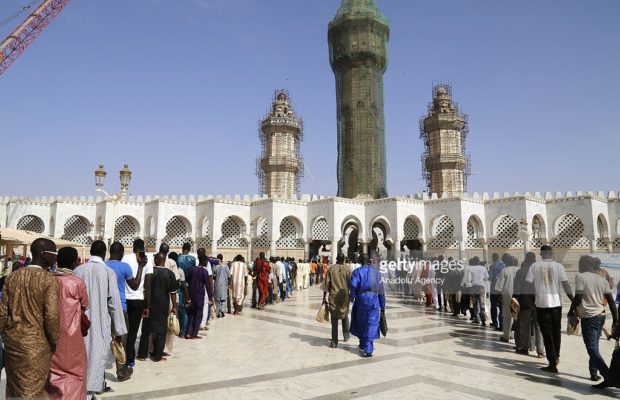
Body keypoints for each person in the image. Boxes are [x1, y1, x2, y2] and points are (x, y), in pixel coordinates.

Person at [0, 238, 60, 399]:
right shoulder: (49, 280)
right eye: (54, 253)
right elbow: (52, 316)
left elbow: (3, 314)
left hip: (12, 344)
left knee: (14, 390)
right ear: (44, 254)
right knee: (33, 392)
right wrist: (54, 340)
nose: (56, 257)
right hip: (36, 347)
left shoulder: (12, 278)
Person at [75, 240, 127, 398]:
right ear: (105, 253)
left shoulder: (78, 270)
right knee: (96, 361)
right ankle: (88, 394)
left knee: (82, 359)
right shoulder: (108, 272)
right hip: (99, 323)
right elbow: (114, 303)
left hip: (79, 323)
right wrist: (118, 329)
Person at [568, 255, 619, 388]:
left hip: (589, 318)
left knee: (591, 349)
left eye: (580, 264)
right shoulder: (601, 280)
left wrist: (570, 310)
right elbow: (611, 301)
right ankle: (594, 373)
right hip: (601, 316)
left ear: (584, 265)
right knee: (594, 346)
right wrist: (615, 320)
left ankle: (609, 377)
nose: (578, 267)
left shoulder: (580, 277)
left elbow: (578, 297)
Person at [48, 247, 89, 400]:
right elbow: (84, 305)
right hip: (72, 336)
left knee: (54, 372)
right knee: (76, 372)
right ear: (74, 263)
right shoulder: (77, 283)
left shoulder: (48, 279)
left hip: (51, 334)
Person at [526, 245, 574, 373]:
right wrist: (573, 301)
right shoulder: (558, 266)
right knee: (556, 332)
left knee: (547, 334)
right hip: (556, 305)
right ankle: (556, 357)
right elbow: (566, 285)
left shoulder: (534, 266)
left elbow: (528, 285)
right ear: (551, 254)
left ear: (541, 254)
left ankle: (552, 362)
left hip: (542, 305)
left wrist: (533, 300)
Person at [105, 241, 145, 379]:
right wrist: (140, 267)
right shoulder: (125, 267)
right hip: (120, 308)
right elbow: (134, 286)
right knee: (121, 340)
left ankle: (97, 374)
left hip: (104, 308)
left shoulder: (103, 265)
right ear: (121, 253)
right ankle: (121, 371)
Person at [137, 253, 178, 361]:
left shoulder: (149, 272)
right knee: (161, 331)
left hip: (149, 304)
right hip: (163, 305)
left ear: (155, 260)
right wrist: (174, 305)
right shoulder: (169, 274)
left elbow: (144, 288)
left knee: (146, 329)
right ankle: (157, 356)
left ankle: (142, 354)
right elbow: (173, 292)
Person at [121, 238, 153, 368]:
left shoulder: (125, 259)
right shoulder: (148, 261)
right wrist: (147, 306)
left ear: (133, 248)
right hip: (138, 300)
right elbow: (148, 285)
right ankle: (130, 359)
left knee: (124, 330)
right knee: (134, 331)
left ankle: (122, 355)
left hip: (125, 299)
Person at [350, 254, 385, 357]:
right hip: (373, 300)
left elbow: (353, 286)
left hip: (361, 300)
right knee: (371, 323)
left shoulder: (357, 272)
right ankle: (366, 345)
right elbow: (381, 290)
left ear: (360, 260)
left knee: (362, 321)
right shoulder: (376, 273)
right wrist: (382, 305)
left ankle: (367, 346)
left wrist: (352, 298)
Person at [513, 252, 544, 357]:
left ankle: (524, 348)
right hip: (538, 302)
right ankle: (540, 351)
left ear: (525, 259)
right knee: (538, 327)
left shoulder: (520, 272)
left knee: (524, 326)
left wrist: (515, 302)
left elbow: (516, 289)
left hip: (524, 302)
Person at [322, 253, 351, 348]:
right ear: (344, 259)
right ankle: (346, 336)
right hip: (344, 296)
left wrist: (324, 298)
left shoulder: (331, 269)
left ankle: (334, 341)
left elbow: (326, 285)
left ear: (336, 258)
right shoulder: (347, 269)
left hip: (333, 296)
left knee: (334, 318)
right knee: (345, 316)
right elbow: (351, 283)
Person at [186, 254, 213, 338]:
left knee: (191, 315)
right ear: (204, 262)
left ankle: (188, 333)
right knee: (198, 315)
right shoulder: (204, 272)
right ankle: (194, 334)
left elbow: (186, 282)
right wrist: (211, 297)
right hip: (199, 296)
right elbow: (208, 286)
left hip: (191, 294)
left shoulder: (191, 269)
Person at [495, 254, 519, 341]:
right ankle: (517, 335)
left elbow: (499, 287)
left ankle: (506, 336)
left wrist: (498, 297)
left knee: (507, 316)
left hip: (507, 295)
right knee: (517, 315)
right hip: (518, 295)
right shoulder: (519, 269)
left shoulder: (504, 270)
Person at [170, 251, 191, 337]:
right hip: (177, 294)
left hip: (166, 295)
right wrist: (188, 298)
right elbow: (183, 285)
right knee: (181, 313)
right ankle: (181, 332)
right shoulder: (179, 271)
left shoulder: (165, 268)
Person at [462, 257, 488, 325]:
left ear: (473, 262)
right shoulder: (483, 268)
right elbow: (487, 277)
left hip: (474, 288)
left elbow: (469, 279)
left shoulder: (471, 269)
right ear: (479, 261)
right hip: (482, 287)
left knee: (475, 304)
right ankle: (483, 320)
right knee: (482, 304)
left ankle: (477, 319)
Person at [489, 253, 505, 330]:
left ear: (493, 258)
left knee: (493, 306)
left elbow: (491, 277)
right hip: (502, 289)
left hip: (494, 289)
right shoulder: (504, 265)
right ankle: (501, 323)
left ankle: (495, 322)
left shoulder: (492, 266)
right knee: (501, 307)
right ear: (499, 257)